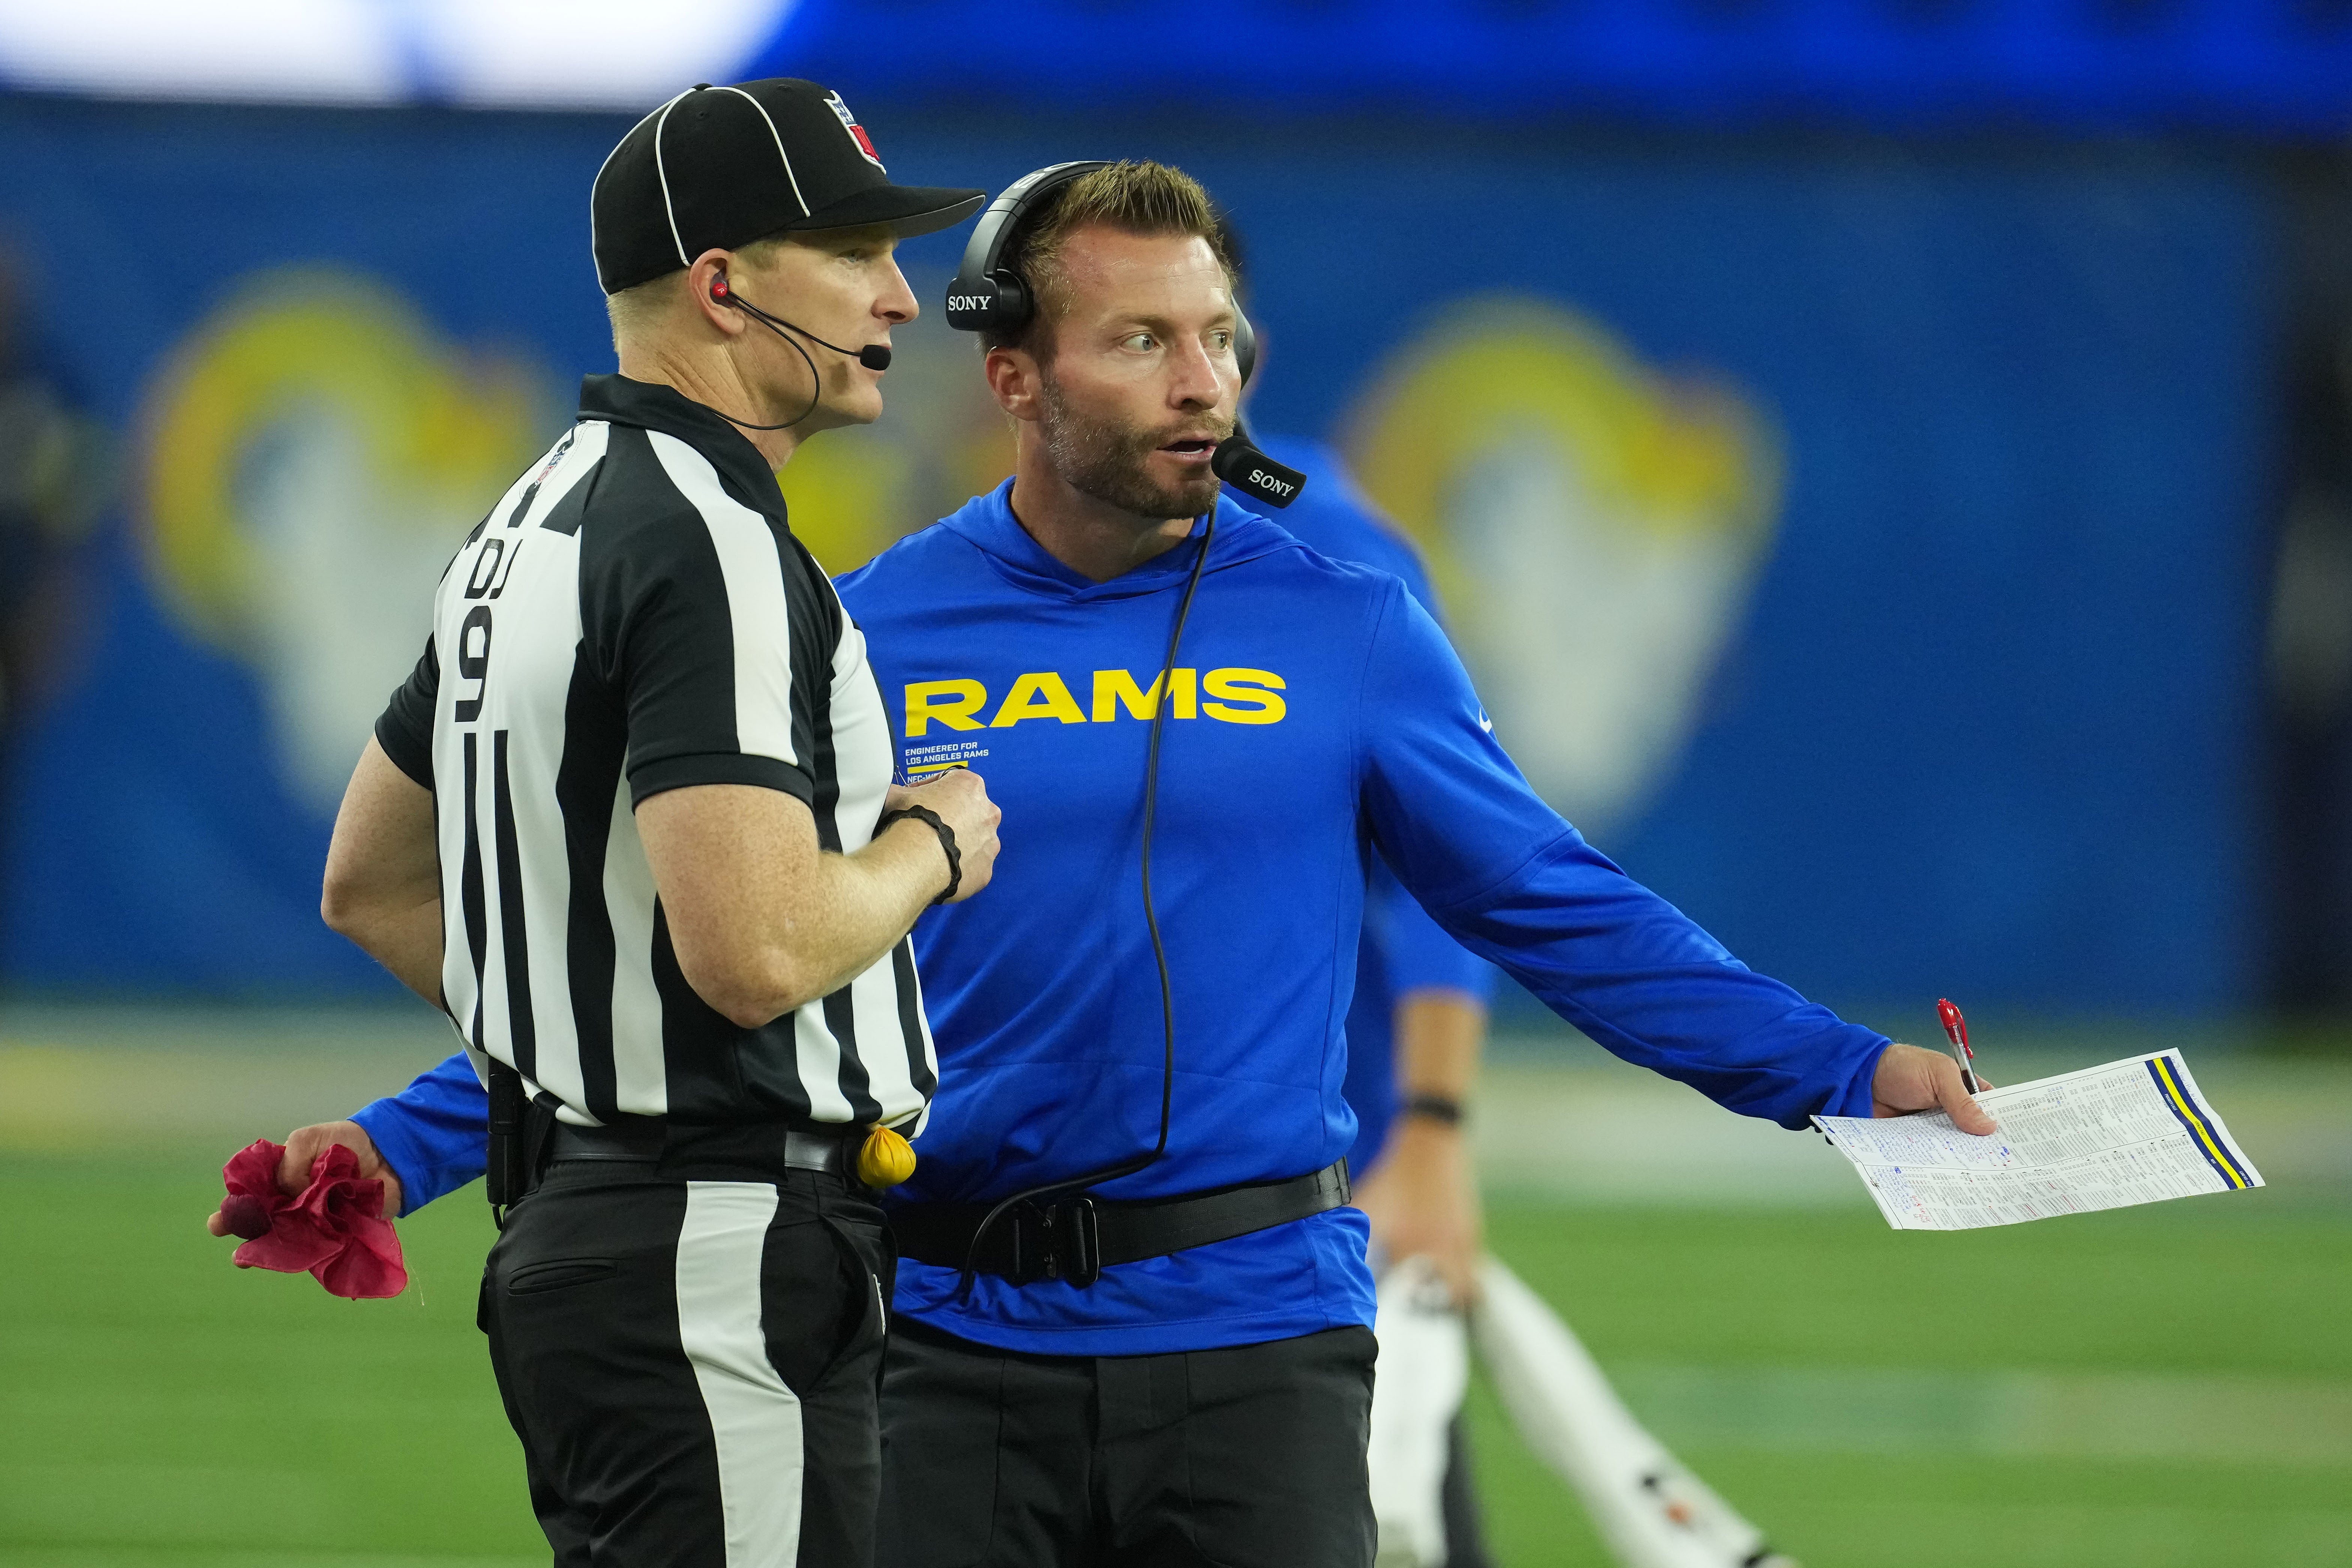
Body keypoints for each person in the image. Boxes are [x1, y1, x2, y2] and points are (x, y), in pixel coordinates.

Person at [242, 161, 1992, 1568]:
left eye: (1221, 338)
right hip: (926, 1341)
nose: (1204, 381)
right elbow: (725, 966)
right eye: (1143, 340)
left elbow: (1555, 901)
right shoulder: (861, 626)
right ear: (1014, 374)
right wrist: (407, 1140)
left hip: (1257, 1345)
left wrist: (1844, 1071)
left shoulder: (1350, 624)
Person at [210, 79, 1002, 1568]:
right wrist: (931, 848)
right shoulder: (707, 539)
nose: (902, 296)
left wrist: (590, 1060)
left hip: (601, 1239)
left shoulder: (532, 517)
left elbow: (368, 879)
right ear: (723, 285)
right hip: (718, 1251)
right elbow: (755, 953)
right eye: (853, 255)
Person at [1221, 432, 1498, 1567]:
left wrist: (1433, 1128)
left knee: (1381, 1505)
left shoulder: (1324, 535)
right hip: (1074, 1192)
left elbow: (1453, 859)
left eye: (1210, 345)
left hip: (1318, 1158)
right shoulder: (971, 553)